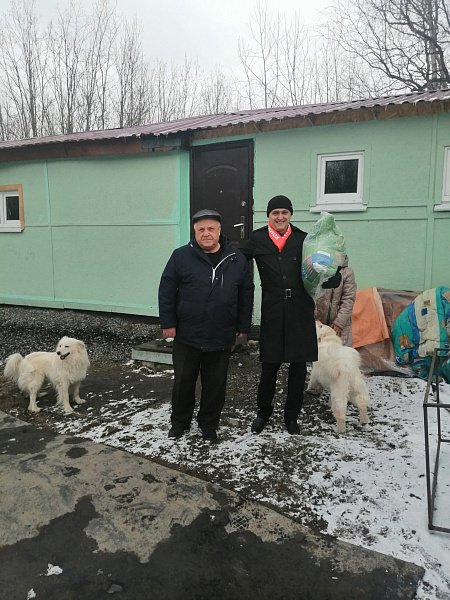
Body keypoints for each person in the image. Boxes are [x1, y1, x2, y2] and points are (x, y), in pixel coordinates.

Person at [158, 209, 254, 443]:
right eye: (201, 229)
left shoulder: (236, 258)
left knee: (215, 383)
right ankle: (179, 422)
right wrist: (168, 322)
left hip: (221, 333)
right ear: (194, 232)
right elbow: (167, 290)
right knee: (183, 381)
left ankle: (208, 424)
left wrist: (243, 325)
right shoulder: (181, 256)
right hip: (187, 333)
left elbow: (246, 293)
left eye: (211, 228)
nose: (206, 233)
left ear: (220, 231)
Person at [241, 195, 318, 435]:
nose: (280, 217)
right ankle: (263, 413)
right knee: (270, 365)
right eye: (275, 213)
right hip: (273, 309)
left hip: (300, 309)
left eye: (285, 212)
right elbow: (234, 256)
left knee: (298, 368)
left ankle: (291, 417)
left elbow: (318, 268)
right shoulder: (257, 239)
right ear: (269, 216)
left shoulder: (304, 239)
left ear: (291, 215)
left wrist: (332, 274)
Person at [315, 255, 356, 347]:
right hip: (318, 325)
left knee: (339, 352)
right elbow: (311, 295)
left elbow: (348, 299)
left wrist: (339, 323)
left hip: (339, 326)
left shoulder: (347, 273)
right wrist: (314, 320)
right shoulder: (317, 269)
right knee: (318, 353)